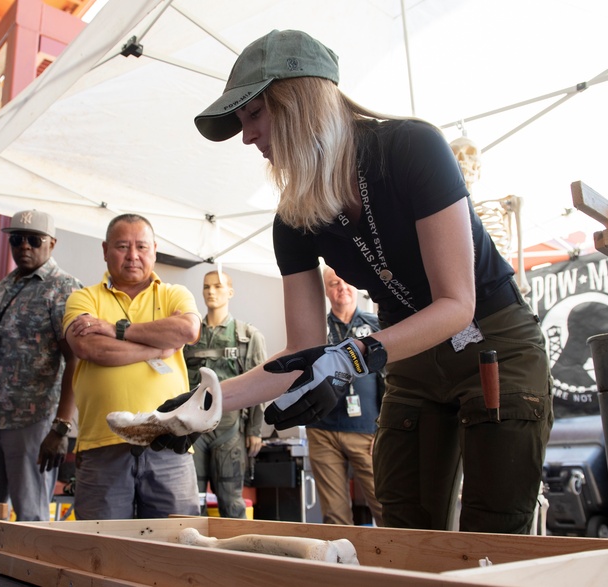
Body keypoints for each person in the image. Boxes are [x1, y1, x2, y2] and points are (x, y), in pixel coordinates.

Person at [156, 29, 552, 535]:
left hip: (493, 340)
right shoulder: (293, 218)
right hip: (406, 354)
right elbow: (302, 352)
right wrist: (205, 403)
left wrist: (353, 356)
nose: (247, 136)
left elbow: (458, 303)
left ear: (301, 98)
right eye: (241, 122)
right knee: (405, 525)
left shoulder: (412, 147)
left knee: (493, 530)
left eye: (254, 113)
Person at [63, 213, 202, 520]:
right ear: (104, 250)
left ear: (154, 249)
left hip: (170, 445)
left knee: (177, 546)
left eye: (141, 246)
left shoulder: (174, 293)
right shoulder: (82, 298)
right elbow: (87, 346)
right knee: (101, 550)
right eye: (122, 246)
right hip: (103, 445)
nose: (133, 255)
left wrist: (116, 330)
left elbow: (188, 331)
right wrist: (158, 345)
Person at [0, 209, 82, 521]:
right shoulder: (1, 290)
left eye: (34, 240)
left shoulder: (64, 288)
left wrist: (61, 427)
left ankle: (30, 572)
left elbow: (75, 358)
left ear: (52, 243)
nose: (24, 246)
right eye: (17, 239)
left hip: (34, 422)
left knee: (31, 518)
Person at [184, 270, 266, 518]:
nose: (211, 291)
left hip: (230, 427)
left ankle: (235, 556)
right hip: (192, 428)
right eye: (207, 287)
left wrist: (254, 431)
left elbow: (259, 385)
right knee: (189, 503)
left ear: (230, 292)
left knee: (231, 503)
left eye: (218, 286)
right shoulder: (189, 334)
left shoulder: (247, 336)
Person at [309, 266, 383, 526]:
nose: (341, 287)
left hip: (367, 430)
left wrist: (384, 427)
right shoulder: (315, 329)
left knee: (385, 506)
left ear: (356, 285)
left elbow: (392, 376)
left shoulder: (375, 325)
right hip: (322, 430)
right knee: (334, 516)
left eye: (346, 280)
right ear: (326, 291)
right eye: (333, 283)